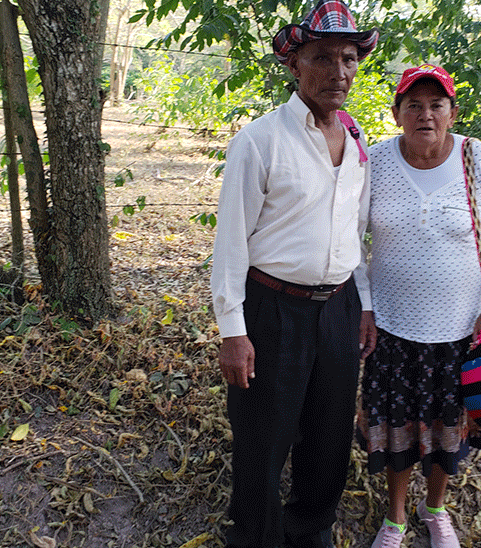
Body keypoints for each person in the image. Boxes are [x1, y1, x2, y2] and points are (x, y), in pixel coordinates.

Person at [209, 1, 379, 547]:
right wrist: (232, 330)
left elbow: (354, 232)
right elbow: (231, 242)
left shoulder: (356, 142)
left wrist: (365, 304)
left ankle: (311, 530)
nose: (339, 71)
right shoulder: (260, 141)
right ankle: (255, 536)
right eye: (323, 57)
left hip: (338, 307)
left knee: (329, 434)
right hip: (272, 308)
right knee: (263, 434)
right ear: (295, 64)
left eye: (349, 58)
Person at [356, 64, 481, 548]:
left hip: (460, 332)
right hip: (391, 327)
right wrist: (365, 307)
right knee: (396, 430)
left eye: (436, 105)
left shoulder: (478, 159)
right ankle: (394, 520)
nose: (425, 115)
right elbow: (351, 239)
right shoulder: (377, 161)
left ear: (452, 112)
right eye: (414, 105)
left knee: (445, 429)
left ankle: (435, 511)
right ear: (396, 114)